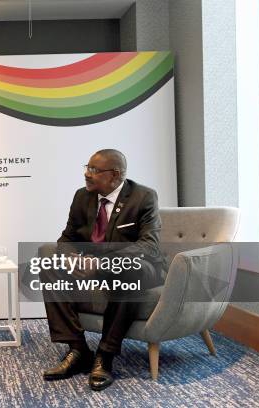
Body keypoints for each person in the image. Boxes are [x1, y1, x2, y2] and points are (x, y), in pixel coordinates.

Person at [42, 149, 165, 391]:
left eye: (94, 170)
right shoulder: (82, 197)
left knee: (130, 270)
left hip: (136, 265)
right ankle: (77, 350)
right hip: (92, 266)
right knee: (48, 266)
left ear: (115, 175)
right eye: (87, 167)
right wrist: (70, 258)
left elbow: (148, 245)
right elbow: (67, 238)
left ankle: (105, 355)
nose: (86, 174)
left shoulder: (143, 197)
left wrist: (99, 264)